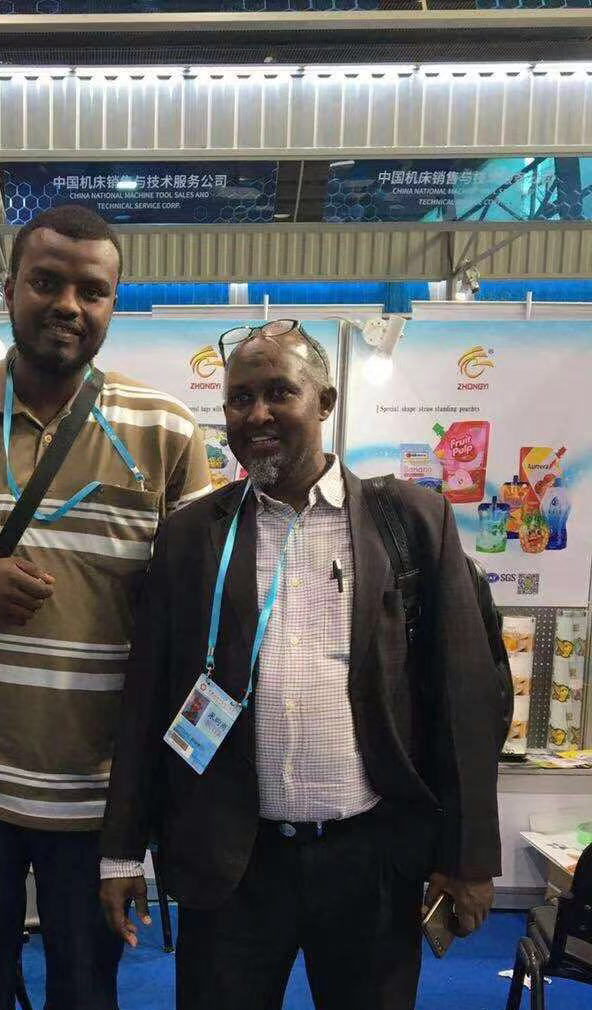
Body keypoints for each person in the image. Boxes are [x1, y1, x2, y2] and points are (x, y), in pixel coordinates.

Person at [0, 205, 211, 1010]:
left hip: (100, 791)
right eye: (46, 283)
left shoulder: (164, 429)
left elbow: (197, 602)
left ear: (113, 304)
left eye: (93, 291)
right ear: (8, 288)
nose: (68, 306)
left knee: (86, 992)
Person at [99, 319, 505, 1010]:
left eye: (279, 392)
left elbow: (465, 698)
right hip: (232, 862)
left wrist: (467, 858)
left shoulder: (412, 523)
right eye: (240, 398)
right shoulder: (192, 536)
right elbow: (147, 701)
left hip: (371, 861)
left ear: (326, 402)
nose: (257, 413)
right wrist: (120, 850)